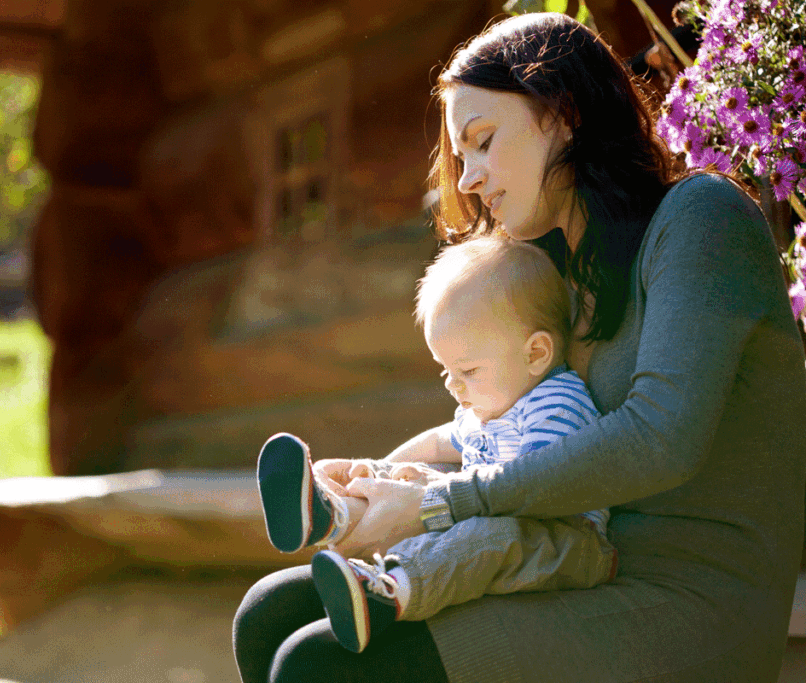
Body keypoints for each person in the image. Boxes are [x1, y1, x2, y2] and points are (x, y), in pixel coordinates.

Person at [232, 11, 806, 683]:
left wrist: (432, 504)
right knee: (268, 610)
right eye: (460, 154)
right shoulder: (558, 267)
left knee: (316, 663)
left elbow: (658, 437)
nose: (468, 177)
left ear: (563, 113)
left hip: (687, 601)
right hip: (571, 561)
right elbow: (505, 430)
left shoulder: (701, 219)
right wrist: (378, 478)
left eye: (482, 141)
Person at [256, 236, 617, 654]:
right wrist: (373, 472)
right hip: (500, 517)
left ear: (536, 353)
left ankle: (388, 594)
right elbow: (436, 442)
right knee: (427, 481)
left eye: (467, 369)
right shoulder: (488, 407)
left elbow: (534, 493)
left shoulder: (556, 404)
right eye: (444, 369)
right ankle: (330, 514)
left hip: (568, 544)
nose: (452, 384)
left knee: (488, 533)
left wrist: (426, 494)